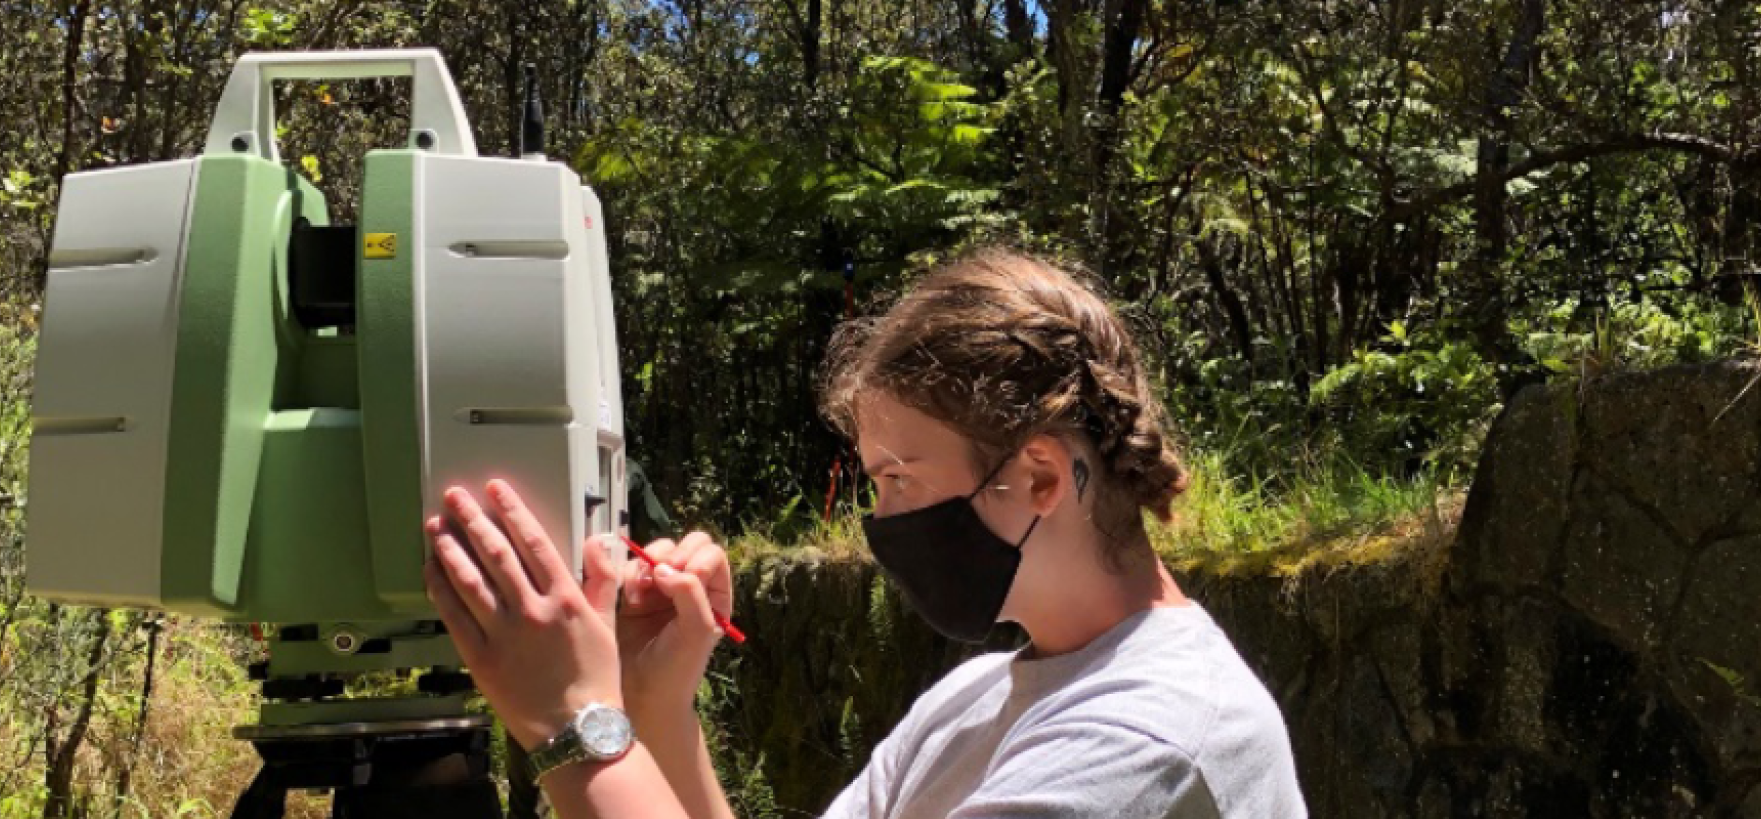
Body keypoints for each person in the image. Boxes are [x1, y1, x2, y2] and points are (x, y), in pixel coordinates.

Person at [423, 247, 1308, 819]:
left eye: (898, 481)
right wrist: (656, 708)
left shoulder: (1144, 745)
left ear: (1039, 476)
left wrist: (575, 724)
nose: (879, 523)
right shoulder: (978, 700)